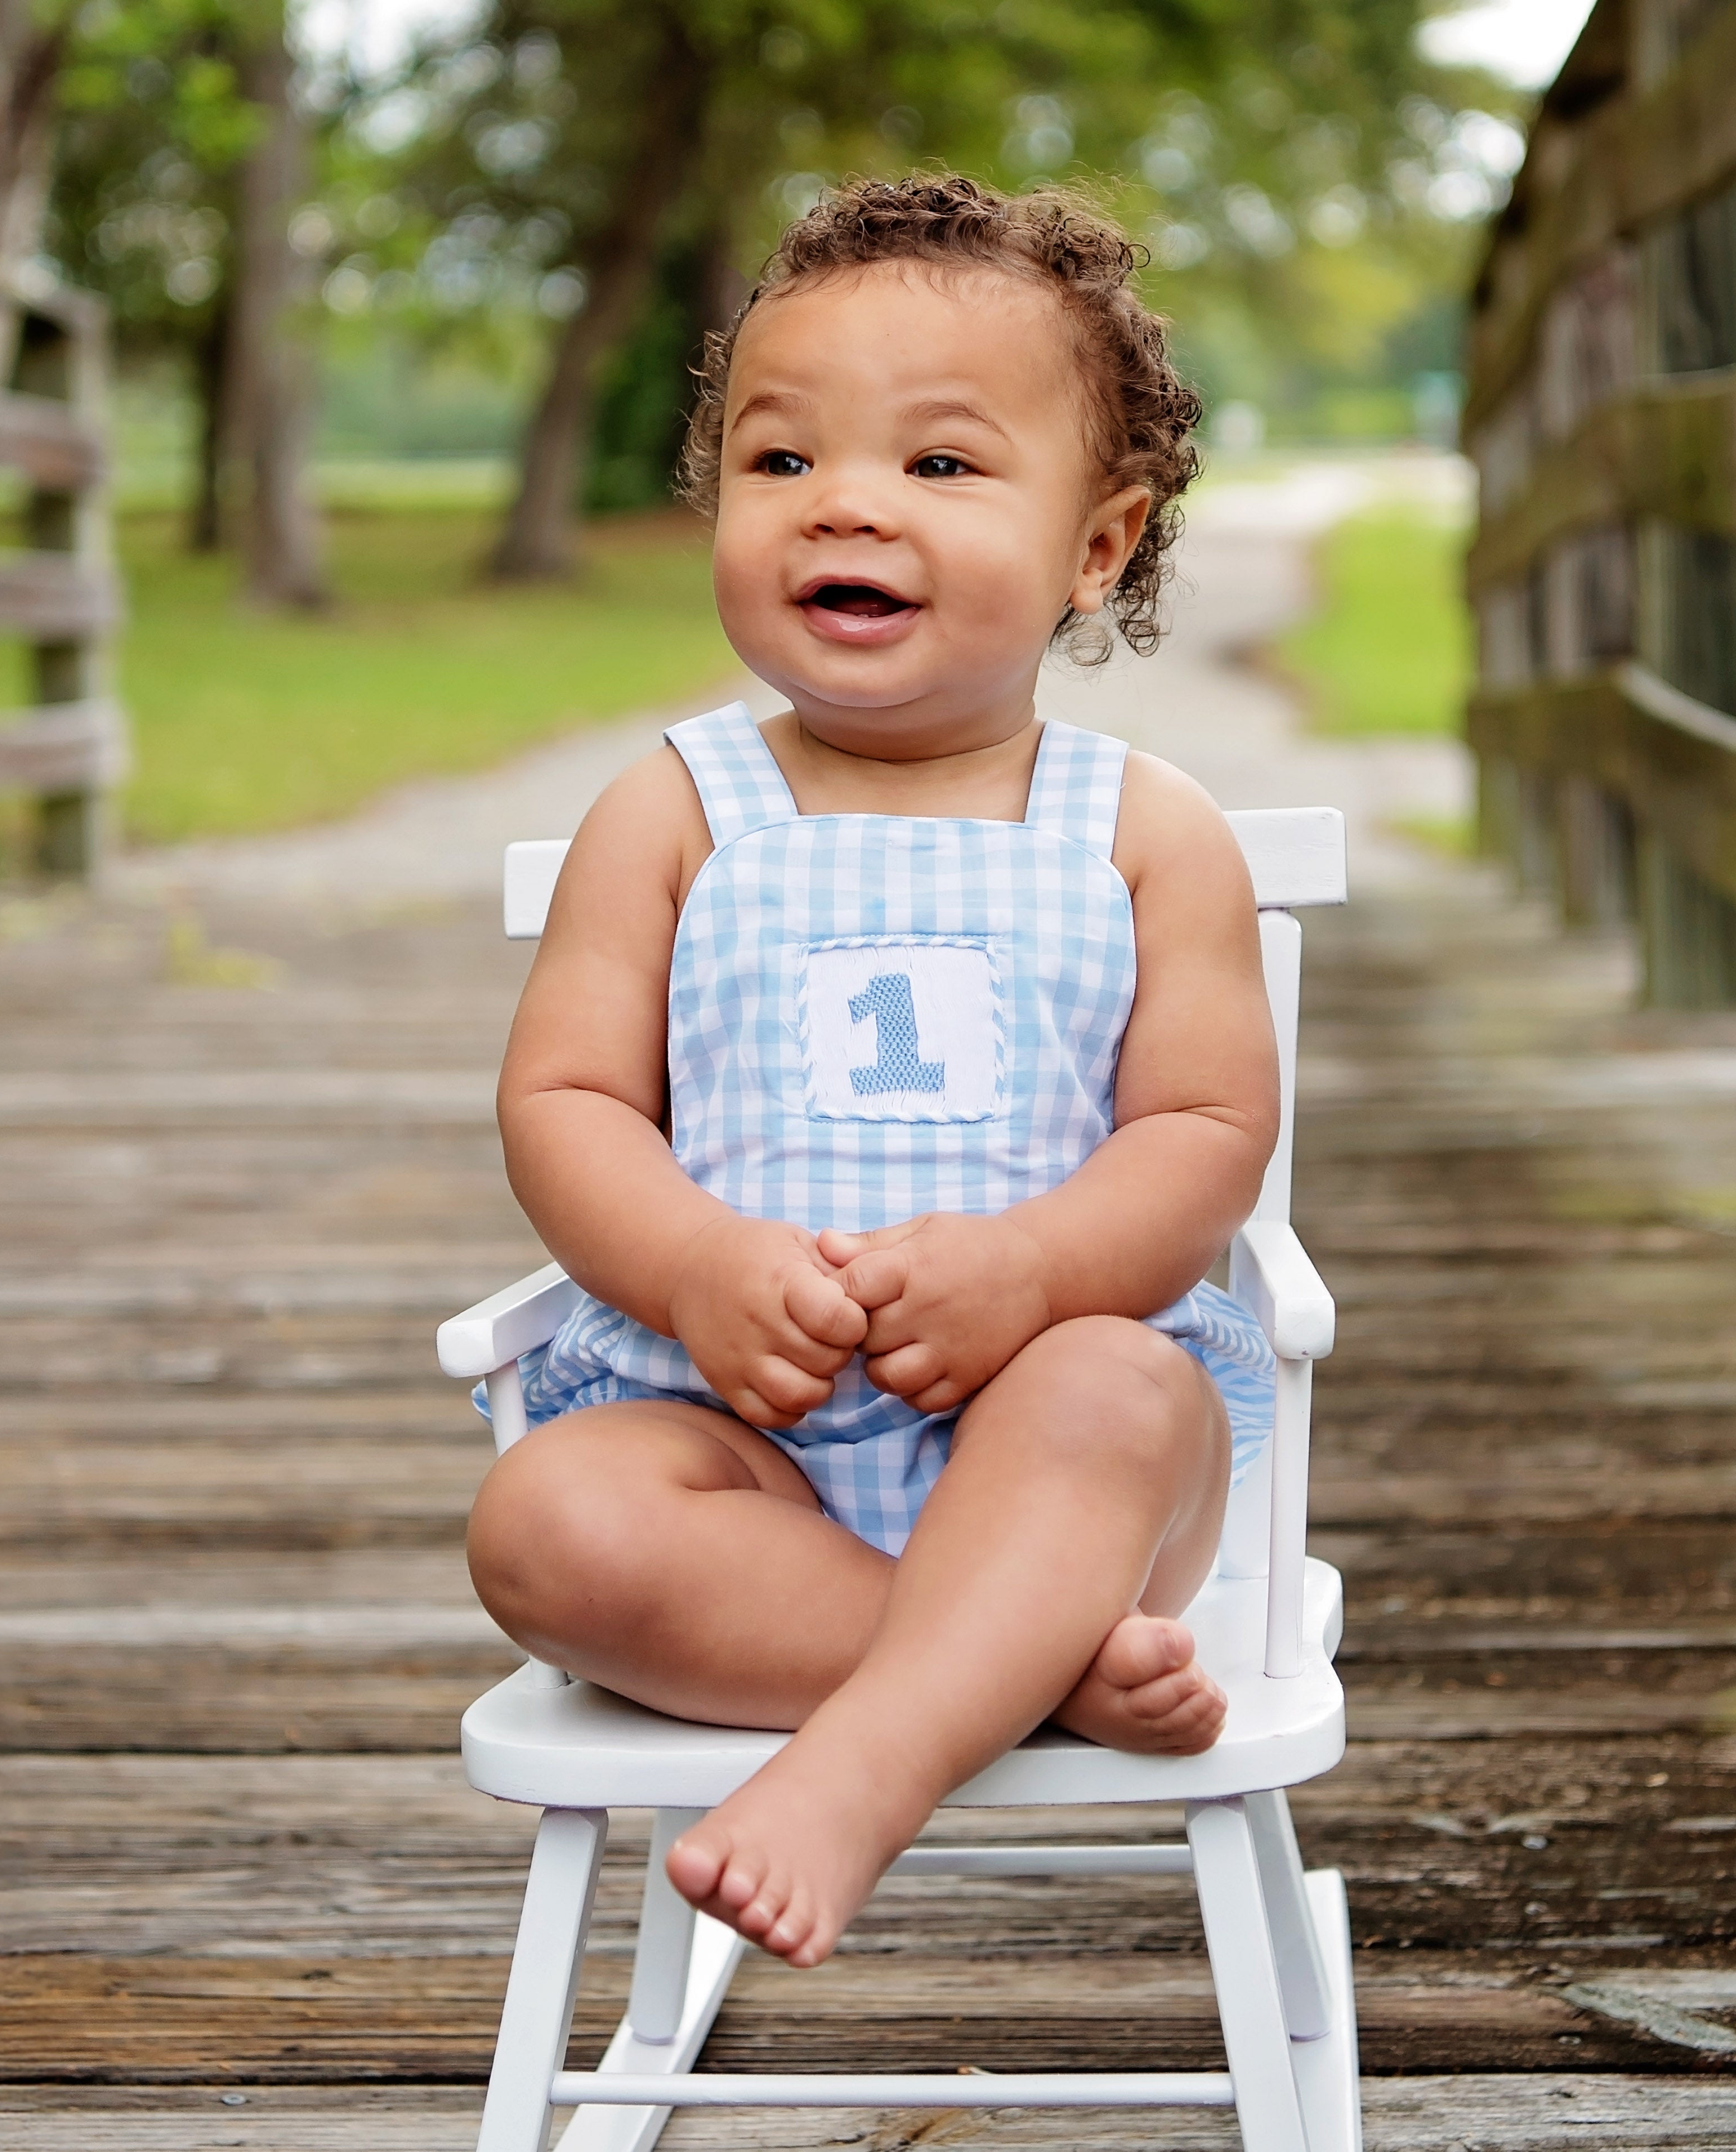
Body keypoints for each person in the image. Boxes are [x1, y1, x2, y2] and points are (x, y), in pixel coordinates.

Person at [466, 173, 1280, 1973]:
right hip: (734, 1442)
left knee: (1113, 1389)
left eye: (937, 465)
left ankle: (870, 1762)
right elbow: (567, 1101)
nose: (843, 502)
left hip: (1052, 1436)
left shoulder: (1145, 833)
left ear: (1097, 544)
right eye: (780, 462)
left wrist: (1041, 1272)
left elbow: (1207, 1133)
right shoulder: (672, 808)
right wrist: (687, 1263)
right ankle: (1023, 1669)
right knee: (545, 1522)